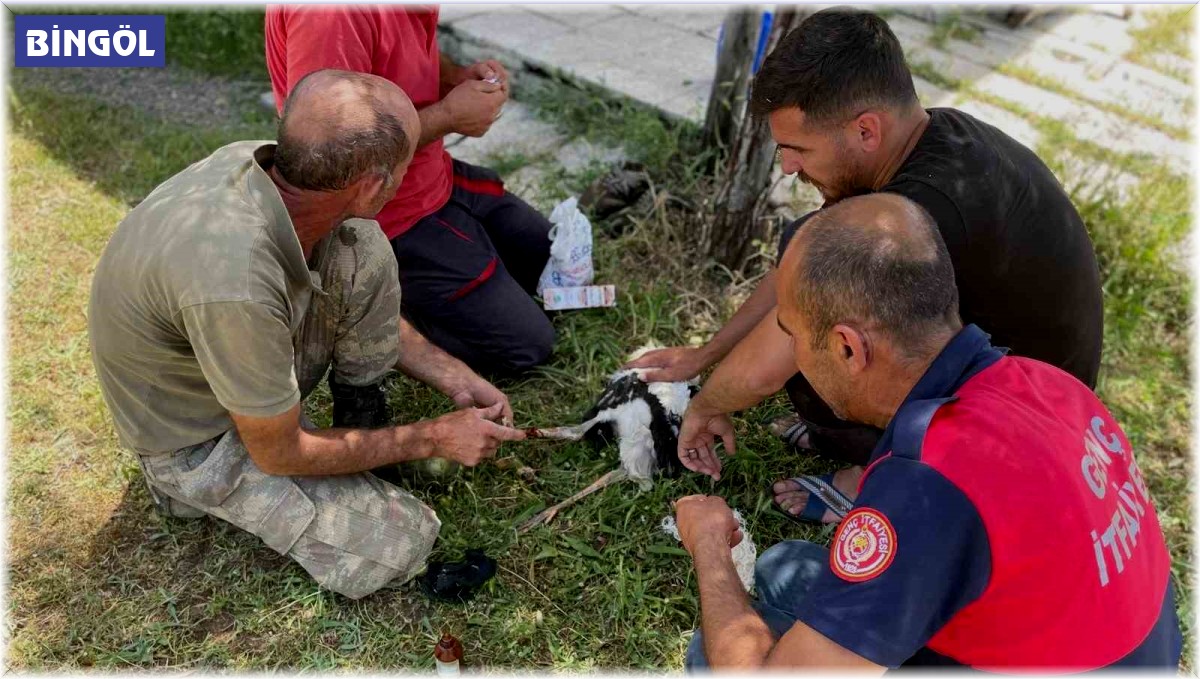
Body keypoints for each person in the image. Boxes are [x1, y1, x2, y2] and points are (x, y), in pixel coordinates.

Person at [631, 8, 1104, 524]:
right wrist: (707, 355)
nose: (788, 166)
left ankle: (869, 477)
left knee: (821, 336)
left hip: (1027, 437)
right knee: (812, 273)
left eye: (797, 148)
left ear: (865, 130)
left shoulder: (926, 209)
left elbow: (773, 357)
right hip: (1028, 386)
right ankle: (866, 441)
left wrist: (705, 406)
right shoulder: (927, 139)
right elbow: (800, 268)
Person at [673, 193, 1180, 671]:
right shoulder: (1046, 383)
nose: (795, 357)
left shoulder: (928, 482)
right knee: (787, 568)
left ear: (849, 348)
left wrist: (710, 545)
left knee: (714, 653)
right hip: (1116, 649)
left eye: (793, 335)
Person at [88, 70, 526, 600]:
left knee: (360, 246)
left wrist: (452, 373)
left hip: (234, 364)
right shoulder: (234, 279)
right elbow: (279, 452)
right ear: (370, 186)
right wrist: (430, 437)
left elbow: (331, 275)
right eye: (403, 169)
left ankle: (361, 418)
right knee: (402, 541)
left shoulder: (267, 168)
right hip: (195, 439)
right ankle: (185, 490)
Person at [266, 5, 556, 376]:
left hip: (433, 174)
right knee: (527, 348)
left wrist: (453, 78)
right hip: (382, 214)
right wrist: (450, 117)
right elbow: (333, 151)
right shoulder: (329, 17)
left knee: (552, 263)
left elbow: (403, 51)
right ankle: (368, 311)